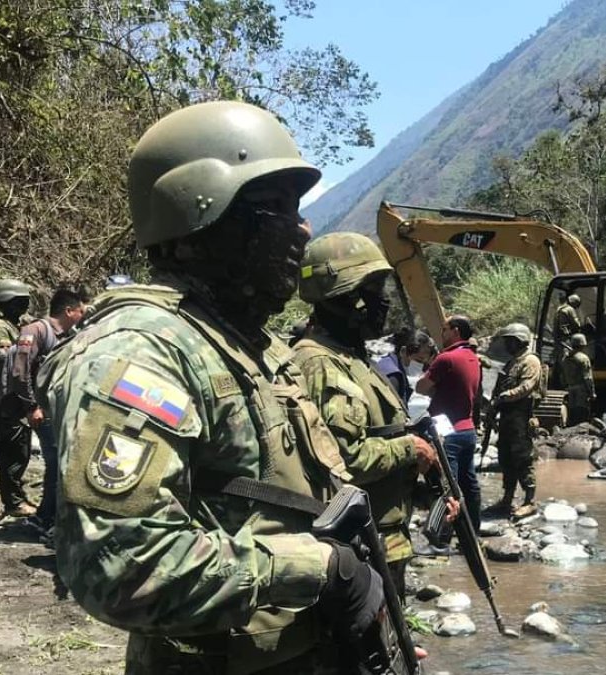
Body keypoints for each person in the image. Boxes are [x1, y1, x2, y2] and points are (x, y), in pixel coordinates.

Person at [38, 101, 387, 673]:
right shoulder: (143, 351)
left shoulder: (256, 346)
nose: (302, 229)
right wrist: (316, 571)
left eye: (297, 208)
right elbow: (120, 565)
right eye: (274, 207)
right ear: (200, 213)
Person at [293, 232, 443, 597]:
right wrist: (413, 449)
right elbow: (346, 460)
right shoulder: (321, 363)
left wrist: (426, 494)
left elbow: (380, 437)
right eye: (373, 289)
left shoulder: (352, 358)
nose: (383, 302)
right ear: (346, 296)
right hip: (361, 546)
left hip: (383, 538)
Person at [6, 288, 86, 532]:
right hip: (43, 410)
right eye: (81, 310)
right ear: (69, 310)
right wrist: (32, 406)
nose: (83, 315)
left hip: (57, 409)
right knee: (54, 462)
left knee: (61, 461)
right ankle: (44, 517)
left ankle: (52, 514)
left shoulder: (67, 335)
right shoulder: (36, 331)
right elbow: (20, 373)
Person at [416, 315, 483, 530]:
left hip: (448, 432)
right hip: (468, 429)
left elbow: (422, 388)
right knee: (469, 483)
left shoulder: (446, 359)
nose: (441, 334)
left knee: (447, 487)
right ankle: (474, 529)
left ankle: (442, 538)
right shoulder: (473, 358)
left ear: (455, 331)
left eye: (444, 330)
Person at [0, 278, 35, 517]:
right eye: (20, 301)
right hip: (6, 399)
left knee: (22, 449)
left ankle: (16, 495)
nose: (25, 305)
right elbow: (4, 359)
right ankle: (12, 501)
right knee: (13, 450)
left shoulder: (15, 325)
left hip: (17, 396)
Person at [484, 322, 543, 519]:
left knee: (522, 459)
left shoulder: (530, 361)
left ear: (519, 341)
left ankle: (530, 501)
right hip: (507, 419)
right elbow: (499, 389)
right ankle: (507, 499)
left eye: (510, 341)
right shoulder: (512, 363)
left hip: (521, 418)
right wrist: (492, 410)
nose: (507, 345)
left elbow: (527, 386)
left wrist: (505, 396)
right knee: (506, 459)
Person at [376, 326, 435, 406]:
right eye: (419, 360)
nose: (421, 366)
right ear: (403, 351)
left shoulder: (388, 362)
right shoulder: (393, 377)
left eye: (424, 361)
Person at [561, 333, 596, 426]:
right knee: (582, 413)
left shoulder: (566, 358)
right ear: (583, 344)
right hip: (581, 389)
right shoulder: (583, 358)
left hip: (570, 388)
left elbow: (562, 375)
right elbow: (587, 377)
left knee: (572, 412)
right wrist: (592, 392)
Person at [553, 293, 582, 385]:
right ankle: (567, 382)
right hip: (566, 339)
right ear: (574, 303)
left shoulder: (559, 309)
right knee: (568, 360)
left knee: (559, 360)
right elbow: (577, 324)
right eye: (576, 305)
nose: (576, 308)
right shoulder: (570, 309)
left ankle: (558, 382)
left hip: (558, 339)